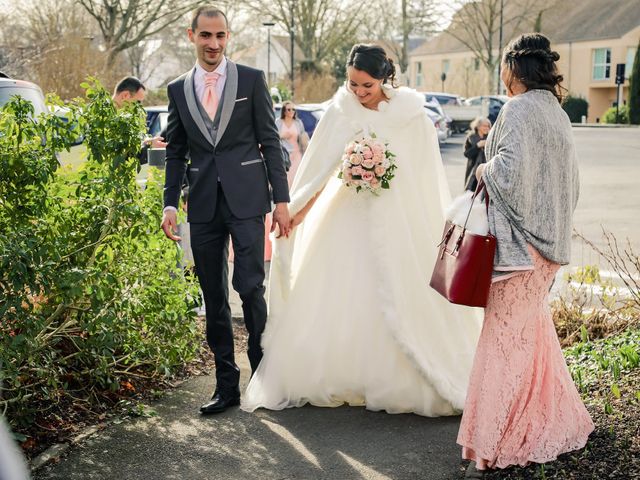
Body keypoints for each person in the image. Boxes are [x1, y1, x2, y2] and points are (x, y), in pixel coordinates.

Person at [242, 44, 482, 416]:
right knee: (341, 289)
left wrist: (384, 172)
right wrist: (296, 213)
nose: (357, 92)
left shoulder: (412, 116)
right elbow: (320, 168)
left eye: (366, 86)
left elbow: (423, 176)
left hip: (398, 217)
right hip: (347, 216)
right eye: (352, 84)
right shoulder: (340, 111)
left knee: (399, 293)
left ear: (385, 78)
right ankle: (337, 373)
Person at [457, 33, 594, 478]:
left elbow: (509, 172)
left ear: (515, 68)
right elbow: (571, 185)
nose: (500, 72)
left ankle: (495, 442)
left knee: (501, 340)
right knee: (531, 336)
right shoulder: (556, 113)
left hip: (518, 249)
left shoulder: (516, 109)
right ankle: (552, 420)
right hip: (549, 246)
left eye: (502, 64)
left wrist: (482, 167)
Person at [160, 6, 290, 415]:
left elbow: (270, 142)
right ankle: (226, 386)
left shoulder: (252, 80)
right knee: (213, 296)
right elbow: (177, 151)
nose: (213, 44)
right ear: (191, 35)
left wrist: (282, 202)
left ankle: (262, 378)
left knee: (250, 287)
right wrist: (169, 203)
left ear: (228, 36)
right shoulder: (178, 88)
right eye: (206, 36)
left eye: (220, 36)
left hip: (248, 201)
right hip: (202, 205)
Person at [111, 76, 167, 162]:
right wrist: (150, 146)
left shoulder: (124, 119)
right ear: (125, 95)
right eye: (138, 102)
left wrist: (147, 142)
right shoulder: (104, 119)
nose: (139, 107)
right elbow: (122, 157)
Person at [275, 101, 308, 186]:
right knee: (286, 179)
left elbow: (303, 137)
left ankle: (295, 198)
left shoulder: (298, 122)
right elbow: (273, 137)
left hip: (296, 154)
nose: (291, 111)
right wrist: (282, 135)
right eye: (289, 109)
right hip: (284, 155)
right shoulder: (278, 122)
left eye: (293, 109)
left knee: (296, 177)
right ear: (284, 111)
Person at [463, 117, 491, 192]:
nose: (487, 128)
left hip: (486, 169)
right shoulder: (471, 138)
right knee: (471, 191)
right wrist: (477, 146)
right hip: (473, 169)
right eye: (484, 126)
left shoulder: (490, 138)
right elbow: (467, 154)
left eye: (488, 126)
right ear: (478, 127)